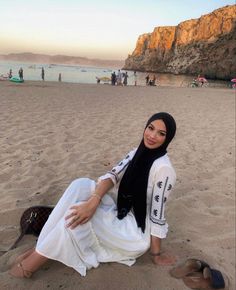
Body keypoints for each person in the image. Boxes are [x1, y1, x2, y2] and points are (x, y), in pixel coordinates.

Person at [9, 112, 177, 278]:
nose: (152, 136)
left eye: (161, 133)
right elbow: (112, 176)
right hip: (120, 211)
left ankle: (32, 262)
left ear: (167, 139)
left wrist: (156, 255)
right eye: (150, 128)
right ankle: (41, 245)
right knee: (80, 185)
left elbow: (157, 216)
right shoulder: (137, 152)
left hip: (135, 232)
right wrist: (94, 201)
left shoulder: (164, 170)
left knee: (75, 214)